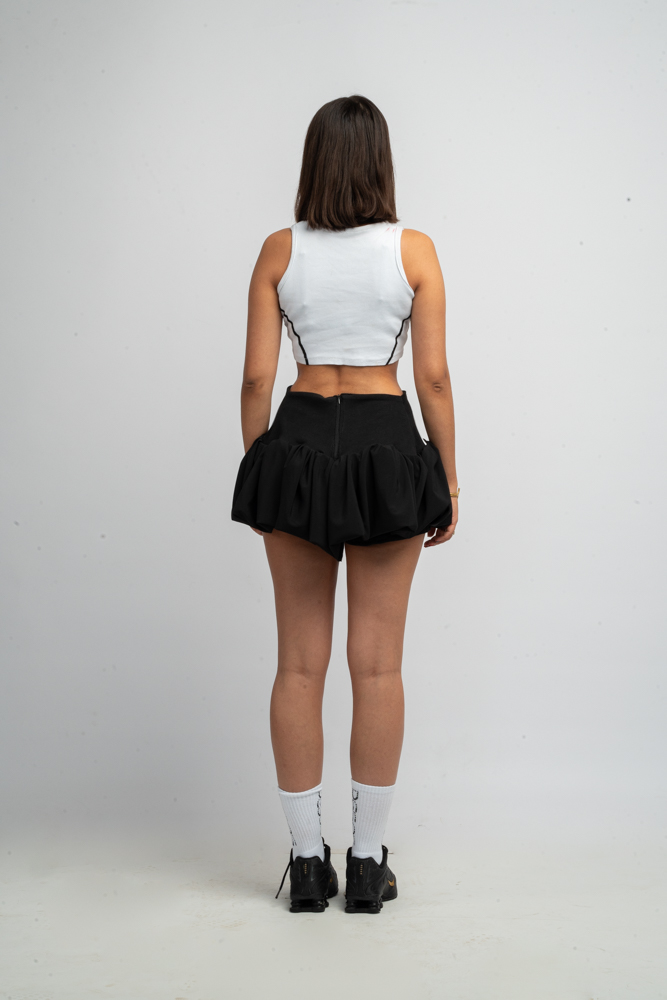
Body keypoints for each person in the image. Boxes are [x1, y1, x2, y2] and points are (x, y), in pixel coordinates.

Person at [232, 95, 458, 914]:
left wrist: (262, 462)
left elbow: (257, 379)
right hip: (385, 442)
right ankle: (366, 866)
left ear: (314, 163)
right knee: (378, 665)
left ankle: (306, 865)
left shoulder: (278, 250)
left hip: (296, 436)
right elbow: (431, 379)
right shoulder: (414, 250)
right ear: (380, 163)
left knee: (298, 664)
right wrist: (449, 478)